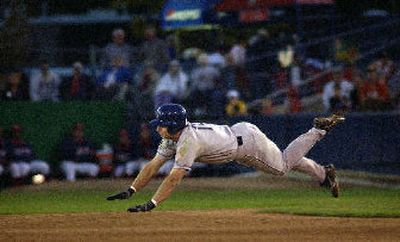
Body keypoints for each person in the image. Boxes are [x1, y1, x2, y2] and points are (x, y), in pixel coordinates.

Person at [107, 103, 344, 212]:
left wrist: (152, 203)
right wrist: (131, 190)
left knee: (282, 166)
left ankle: (318, 130)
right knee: (284, 159)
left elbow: (173, 178)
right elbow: (153, 166)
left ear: (171, 125)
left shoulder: (188, 142)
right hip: (241, 136)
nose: (157, 128)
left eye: (161, 125)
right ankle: (324, 174)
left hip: (247, 146)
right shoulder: (173, 138)